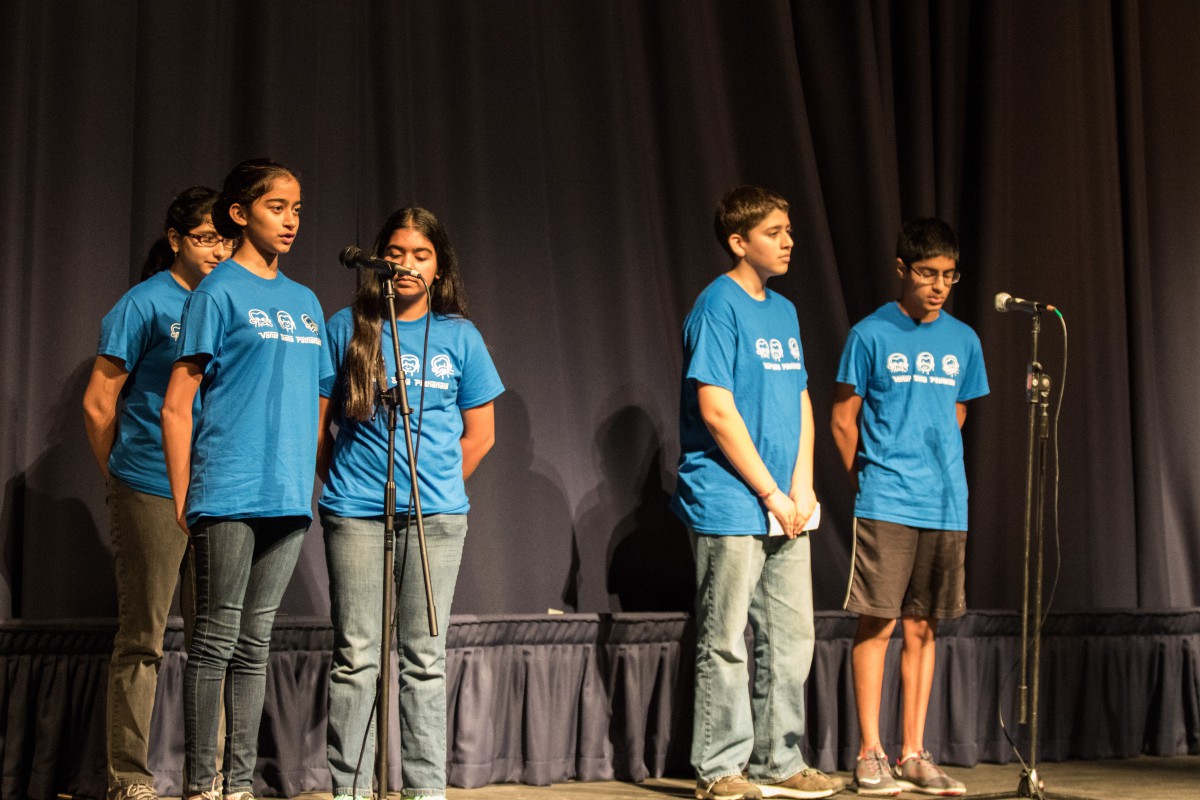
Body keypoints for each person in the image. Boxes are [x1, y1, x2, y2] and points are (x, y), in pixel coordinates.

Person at [161, 159, 334, 800]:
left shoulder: (307, 300)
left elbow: (319, 397)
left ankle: (238, 784)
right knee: (214, 640)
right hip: (228, 486)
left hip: (287, 495)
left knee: (255, 644)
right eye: (276, 207)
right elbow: (178, 403)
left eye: (296, 209)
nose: (290, 221)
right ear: (240, 213)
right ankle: (201, 785)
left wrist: (307, 475)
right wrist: (185, 494)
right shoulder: (218, 291)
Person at [318, 207, 503, 800]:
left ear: (439, 267)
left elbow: (481, 433)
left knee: (423, 659)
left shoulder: (460, 336)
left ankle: (425, 792)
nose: (405, 265)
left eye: (420, 255)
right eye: (395, 253)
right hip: (356, 513)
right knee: (357, 658)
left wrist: (438, 486)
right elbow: (320, 426)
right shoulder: (346, 326)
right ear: (378, 260)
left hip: (438, 519)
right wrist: (340, 485)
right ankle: (351, 791)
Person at [671, 186, 843, 800]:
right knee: (726, 641)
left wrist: (801, 489)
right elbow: (716, 410)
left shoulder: (786, 311)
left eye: (790, 229)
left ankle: (781, 759)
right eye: (775, 231)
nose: (789, 240)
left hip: (783, 502)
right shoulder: (716, 305)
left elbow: (800, 401)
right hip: (729, 498)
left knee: (792, 639)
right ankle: (721, 769)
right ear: (740, 242)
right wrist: (771, 492)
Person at [83, 187, 234, 800]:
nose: (219, 249)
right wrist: (122, 478)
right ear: (175, 240)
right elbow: (99, 404)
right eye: (205, 237)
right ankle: (128, 778)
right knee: (142, 637)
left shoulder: (233, 301)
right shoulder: (144, 304)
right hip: (148, 484)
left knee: (213, 642)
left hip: (217, 491)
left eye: (227, 237)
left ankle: (209, 776)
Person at [830, 218, 988, 797]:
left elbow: (958, 412)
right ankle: (870, 752)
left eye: (947, 275)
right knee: (881, 620)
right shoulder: (870, 334)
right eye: (927, 274)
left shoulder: (964, 340)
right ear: (902, 270)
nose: (938, 286)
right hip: (887, 498)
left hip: (946, 504)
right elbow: (843, 418)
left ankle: (914, 751)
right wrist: (866, 481)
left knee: (925, 626)